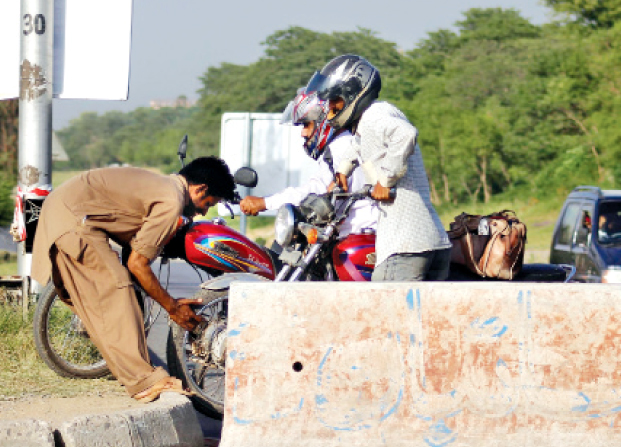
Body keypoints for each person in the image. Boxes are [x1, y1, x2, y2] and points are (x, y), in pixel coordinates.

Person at [31, 157, 237, 402]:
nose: (203, 211)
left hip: (63, 209)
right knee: (117, 290)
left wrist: (165, 299)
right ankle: (143, 382)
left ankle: (131, 371)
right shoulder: (172, 202)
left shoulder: (163, 186)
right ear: (200, 188)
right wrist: (172, 307)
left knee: (116, 297)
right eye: (207, 203)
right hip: (73, 220)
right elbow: (137, 264)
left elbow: (133, 252)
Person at [303, 54, 451, 281]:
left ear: (353, 93)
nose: (330, 108)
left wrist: (386, 180)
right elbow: (359, 145)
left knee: (382, 310)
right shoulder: (373, 117)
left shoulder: (375, 116)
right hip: (430, 241)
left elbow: (406, 134)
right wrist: (343, 169)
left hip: (404, 245)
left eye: (335, 101)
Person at [239, 89, 378, 237]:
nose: (303, 133)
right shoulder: (338, 146)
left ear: (324, 121)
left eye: (306, 125)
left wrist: (266, 203)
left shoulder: (341, 146)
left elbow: (316, 191)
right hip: (348, 233)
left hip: (360, 233)